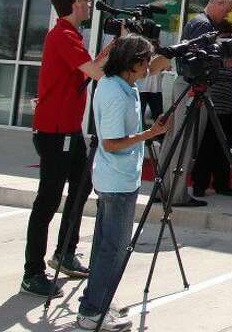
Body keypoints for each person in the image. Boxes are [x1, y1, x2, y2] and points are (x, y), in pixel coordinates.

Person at [22, 0, 166, 298]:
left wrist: (120, 42)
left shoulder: (71, 35)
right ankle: (32, 272)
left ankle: (65, 251)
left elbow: (94, 66)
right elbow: (100, 73)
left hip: (69, 128)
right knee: (48, 199)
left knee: (81, 187)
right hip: (54, 129)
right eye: (87, 0)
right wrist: (127, 51)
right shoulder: (62, 34)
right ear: (75, 3)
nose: (90, 5)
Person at [75, 34, 169, 331]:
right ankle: (92, 313)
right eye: (145, 62)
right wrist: (148, 135)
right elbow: (113, 142)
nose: (148, 68)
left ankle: (97, 301)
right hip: (116, 180)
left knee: (106, 244)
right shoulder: (115, 92)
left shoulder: (120, 84)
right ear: (134, 63)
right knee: (113, 247)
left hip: (117, 177)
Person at [159, 0, 232, 209]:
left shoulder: (196, 22)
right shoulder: (205, 25)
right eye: (227, 10)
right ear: (219, 4)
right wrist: (223, 61)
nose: (226, 16)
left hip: (185, 84)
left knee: (173, 138)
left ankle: (163, 189)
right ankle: (177, 193)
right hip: (193, 87)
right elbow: (198, 61)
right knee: (185, 141)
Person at [190, 19, 232, 198]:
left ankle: (222, 183)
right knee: (206, 147)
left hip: (230, 107)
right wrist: (221, 62)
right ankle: (200, 184)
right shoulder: (208, 51)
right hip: (210, 105)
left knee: (224, 148)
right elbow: (203, 71)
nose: (225, 41)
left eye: (228, 37)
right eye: (222, 38)